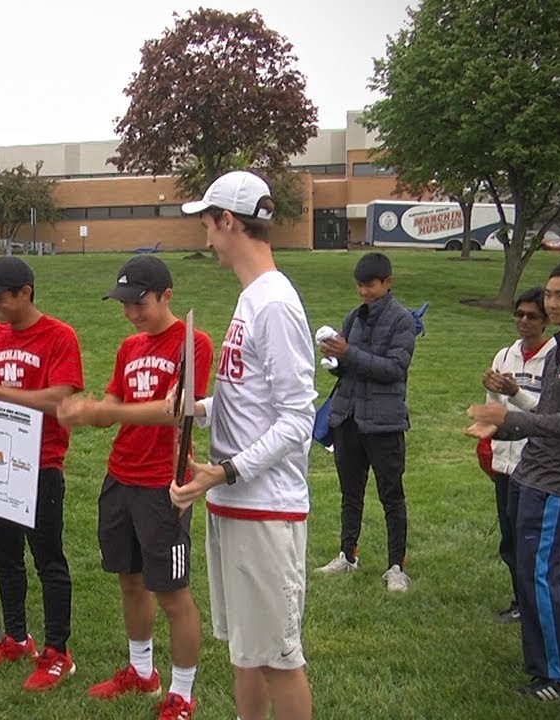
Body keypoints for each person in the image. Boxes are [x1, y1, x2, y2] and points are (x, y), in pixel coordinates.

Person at [170, 171, 315, 720]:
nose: (206, 239)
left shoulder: (275, 302)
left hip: (263, 505)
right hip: (233, 503)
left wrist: (225, 470)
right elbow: (252, 400)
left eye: (208, 225)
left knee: (279, 658)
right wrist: (197, 409)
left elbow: (299, 416)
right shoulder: (251, 298)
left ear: (229, 221)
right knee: (245, 652)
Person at [58, 255, 212, 720]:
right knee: (130, 580)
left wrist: (105, 411)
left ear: (166, 295)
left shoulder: (193, 344)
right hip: (120, 475)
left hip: (162, 484)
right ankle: (141, 671)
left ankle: (182, 694)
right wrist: (88, 410)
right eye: (124, 304)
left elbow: (177, 411)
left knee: (171, 592)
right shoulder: (130, 349)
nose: (130, 313)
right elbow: (115, 404)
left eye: (138, 302)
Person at [467, 260, 560, 703]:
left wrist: (508, 417)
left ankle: (559, 679)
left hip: (558, 479)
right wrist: (500, 426)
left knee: (539, 575)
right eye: (548, 295)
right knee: (533, 571)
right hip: (532, 470)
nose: (550, 303)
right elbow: (542, 413)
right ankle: (546, 667)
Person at [0, 256, 84, 692]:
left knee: (48, 560)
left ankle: (58, 651)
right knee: (7, 557)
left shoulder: (59, 335)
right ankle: (16, 637)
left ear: (25, 292)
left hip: (41, 463)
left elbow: (59, 400)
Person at [315, 251, 416, 592]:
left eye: (370, 286)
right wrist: (333, 360)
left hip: (384, 423)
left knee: (391, 495)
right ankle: (347, 555)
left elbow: (394, 369)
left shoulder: (402, 321)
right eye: (359, 286)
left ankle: (396, 567)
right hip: (348, 418)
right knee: (350, 493)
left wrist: (349, 353)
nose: (364, 293)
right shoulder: (352, 318)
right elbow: (348, 369)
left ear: (388, 282)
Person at [478, 287, 555, 623]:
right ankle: (520, 602)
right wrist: (490, 402)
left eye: (532, 316)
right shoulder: (504, 355)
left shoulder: (555, 358)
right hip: (505, 462)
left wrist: (516, 392)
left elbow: (551, 415)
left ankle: (534, 604)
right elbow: (494, 408)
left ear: (546, 320)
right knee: (509, 538)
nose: (523, 321)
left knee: (531, 541)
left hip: (536, 463)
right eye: (519, 314)